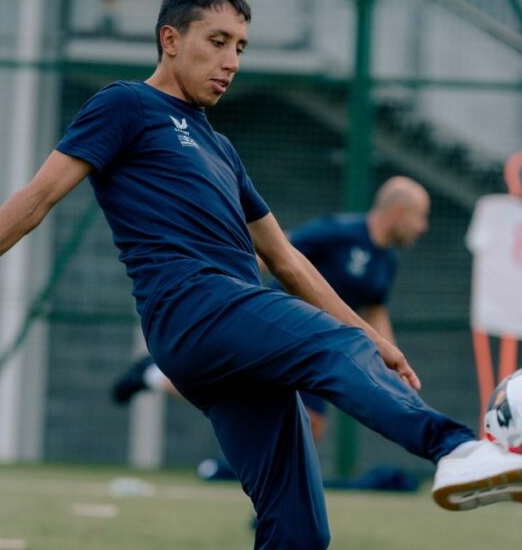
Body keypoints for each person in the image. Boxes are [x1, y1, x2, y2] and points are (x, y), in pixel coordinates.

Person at [0, 0, 522, 548]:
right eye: (217, 42)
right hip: (194, 310)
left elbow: (285, 261)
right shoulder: (125, 107)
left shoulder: (221, 149)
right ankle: (458, 450)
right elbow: (37, 197)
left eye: (241, 48)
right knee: (329, 348)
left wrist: (368, 334)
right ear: (171, 39)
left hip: (224, 343)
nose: (231, 61)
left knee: (299, 531)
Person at [112, 175, 431, 449]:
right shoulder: (338, 232)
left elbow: (375, 311)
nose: (423, 227)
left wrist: (393, 365)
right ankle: (152, 376)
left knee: (311, 424)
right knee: (233, 396)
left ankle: (274, 506)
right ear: (397, 213)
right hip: (280, 329)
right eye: (420, 217)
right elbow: (279, 252)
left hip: (322, 347)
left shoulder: (387, 261)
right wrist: (233, 290)